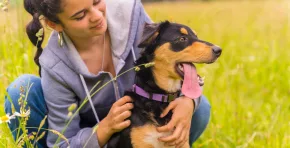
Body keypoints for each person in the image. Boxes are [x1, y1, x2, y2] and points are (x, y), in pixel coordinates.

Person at [4, 0, 211, 147]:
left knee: (199, 108)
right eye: (80, 15)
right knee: (21, 90)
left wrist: (189, 100)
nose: (97, 16)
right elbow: (62, 144)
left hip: (146, 115)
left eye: (96, 1)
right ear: (54, 24)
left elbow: (168, 59)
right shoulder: (54, 63)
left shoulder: (130, 13)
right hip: (89, 133)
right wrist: (104, 129)